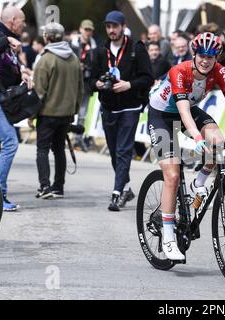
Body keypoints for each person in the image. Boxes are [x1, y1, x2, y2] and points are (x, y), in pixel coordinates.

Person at [148, 32, 225, 261]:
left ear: (217, 57)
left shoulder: (219, 71)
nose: (205, 61)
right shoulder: (179, 72)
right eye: (202, 55)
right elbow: (182, 111)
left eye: (211, 56)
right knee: (171, 174)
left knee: (217, 142)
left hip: (189, 111)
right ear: (194, 54)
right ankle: (168, 236)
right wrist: (197, 139)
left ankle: (199, 182)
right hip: (162, 116)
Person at [91, 11, 154, 211]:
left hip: (130, 106)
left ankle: (116, 194)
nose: (111, 30)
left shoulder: (136, 48)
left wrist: (129, 85)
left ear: (123, 26)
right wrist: (98, 84)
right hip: (109, 106)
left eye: (114, 26)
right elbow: (90, 80)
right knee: (114, 153)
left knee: (123, 150)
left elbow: (148, 78)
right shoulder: (100, 51)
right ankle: (126, 188)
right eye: (108, 27)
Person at [0, 6, 32, 211]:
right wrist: (7, 40)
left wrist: (22, 75)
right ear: (12, 21)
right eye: (22, 20)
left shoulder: (2, 36)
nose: (25, 24)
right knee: (10, 142)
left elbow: (3, 69)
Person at [33, 22, 83, 199]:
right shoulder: (74, 58)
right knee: (59, 150)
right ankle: (58, 187)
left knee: (42, 150)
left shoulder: (45, 59)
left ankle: (44, 187)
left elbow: (39, 92)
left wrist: (32, 115)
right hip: (66, 114)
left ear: (47, 37)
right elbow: (80, 88)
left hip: (47, 113)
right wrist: (74, 110)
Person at [70, 19, 98, 152]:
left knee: (82, 114)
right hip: (71, 83)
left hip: (86, 84)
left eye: (90, 30)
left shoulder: (94, 47)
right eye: (85, 29)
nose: (87, 32)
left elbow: (96, 65)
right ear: (80, 29)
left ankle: (78, 139)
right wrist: (76, 65)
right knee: (67, 111)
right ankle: (63, 137)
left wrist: (87, 67)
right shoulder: (73, 45)